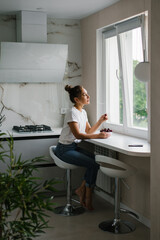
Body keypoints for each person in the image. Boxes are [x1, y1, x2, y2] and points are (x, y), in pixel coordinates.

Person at [55, 85, 111, 210]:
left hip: (73, 147)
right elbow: (78, 135)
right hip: (64, 149)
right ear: (77, 99)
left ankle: (81, 190)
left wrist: (100, 121)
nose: (88, 96)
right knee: (93, 164)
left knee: (96, 161)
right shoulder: (71, 113)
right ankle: (88, 197)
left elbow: (88, 131)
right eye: (85, 95)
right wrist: (99, 136)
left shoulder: (83, 112)